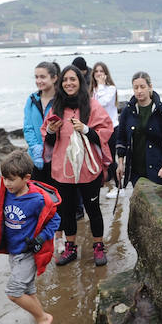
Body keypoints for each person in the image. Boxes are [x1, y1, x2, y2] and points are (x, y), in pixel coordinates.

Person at [0, 150, 60, 324]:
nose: (7, 184)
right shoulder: (7, 194)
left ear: (26, 178)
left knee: (13, 292)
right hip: (14, 253)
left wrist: (40, 239)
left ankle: (43, 319)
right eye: (4, 179)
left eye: (11, 180)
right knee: (27, 291)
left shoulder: (37, 200)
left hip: (27, 253)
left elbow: (55, 219)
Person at [42, 65, 112, 267]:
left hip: (87, 169)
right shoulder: (56, 107)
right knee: (67, 210)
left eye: (73, 79)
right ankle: (70, 247)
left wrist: (87, 129)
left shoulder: (91, 105)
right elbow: (46, 134)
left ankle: (98, 246)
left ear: (81, 82)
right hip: (62, 170)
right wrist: (52, 131)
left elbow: (106, 130)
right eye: (65, 80)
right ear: (60, 83)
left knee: (93, 208)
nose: (68, 83)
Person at [116, 71, 162, 189]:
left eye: (142, 87)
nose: (139, 91)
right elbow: (121, 138)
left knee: (159, 204)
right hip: (136, 170)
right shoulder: (127, 111)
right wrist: (120, 163)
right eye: (135, 87)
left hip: (158, 167)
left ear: (150, 87)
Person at [23, 61, 59, 183]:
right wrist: (35, 147)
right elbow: (28, 127)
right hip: (34, 158)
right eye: (36, 77)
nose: (39, 81)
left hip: (56, 159)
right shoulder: (32, 99)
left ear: (54, 78)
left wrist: (48, 149)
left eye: (43, 77)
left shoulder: (60, 101)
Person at [90, 61, 121, 198]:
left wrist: (101, 86)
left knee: (111, 157)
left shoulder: (111, 88)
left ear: (106, 73)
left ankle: (119, 186)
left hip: (112, 127)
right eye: (96, 71)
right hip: (97, 129)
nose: (98, 74)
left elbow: (102, 104)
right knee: (98, 157)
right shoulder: (92, 90)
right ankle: (103, 180)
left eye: (101, 71)